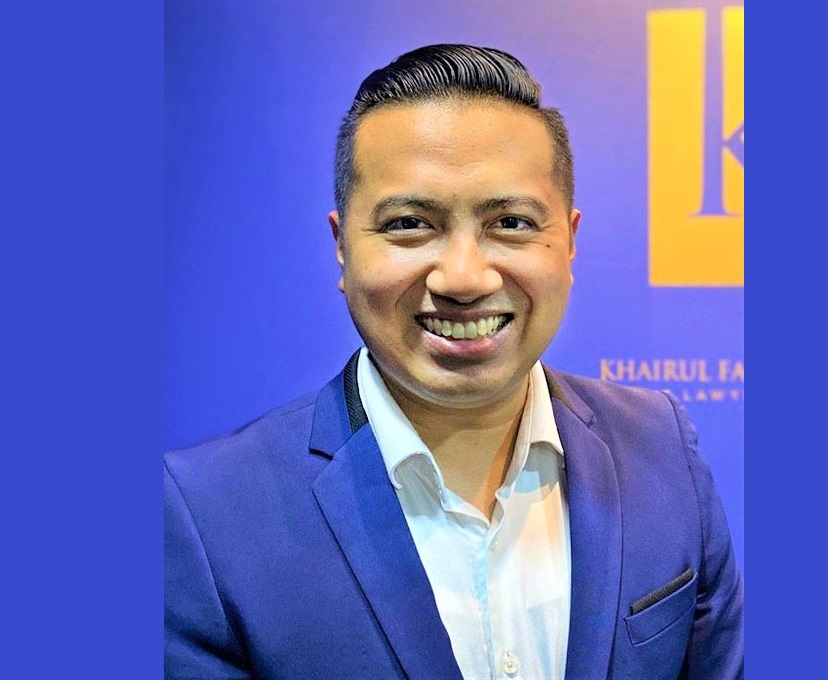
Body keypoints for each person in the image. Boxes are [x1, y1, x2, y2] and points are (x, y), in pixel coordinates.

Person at [164, 43, 744, 680]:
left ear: (570, 241)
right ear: (342, 246)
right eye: (410, 223)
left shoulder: (662, 446)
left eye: (512, 223)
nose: (465, 278)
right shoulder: (205, 515)